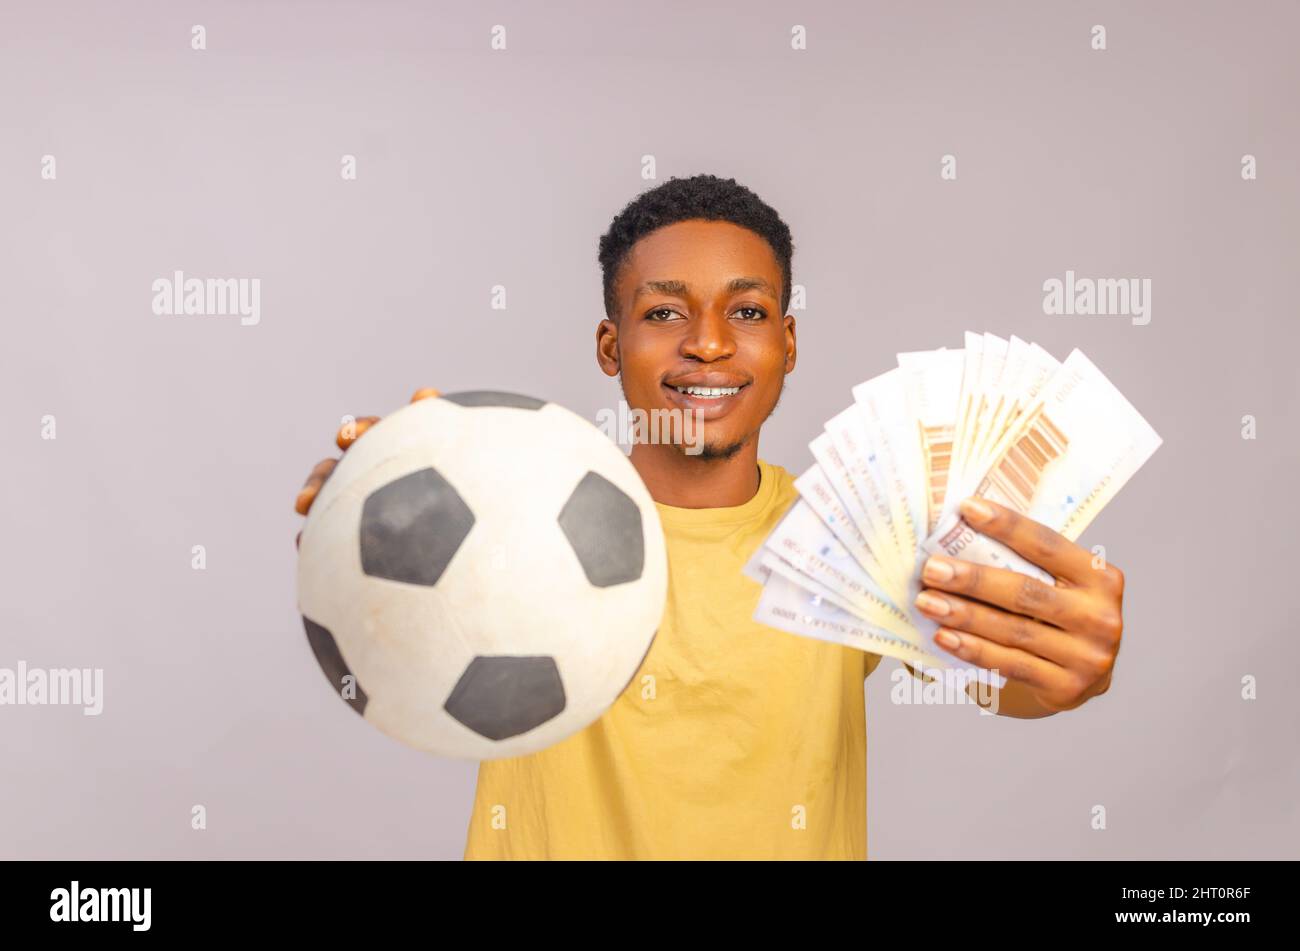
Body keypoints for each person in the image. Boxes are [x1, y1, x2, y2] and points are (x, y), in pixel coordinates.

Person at [294, 174, 1125, 859]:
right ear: (610, 346)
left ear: (788, 345)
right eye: (663, 312)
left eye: (748, 311)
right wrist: (377, 517)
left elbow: (1002, 680)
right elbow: (410, 604)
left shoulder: (855, 533)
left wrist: (1071, 669)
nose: (709, 343)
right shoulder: (513, 507)